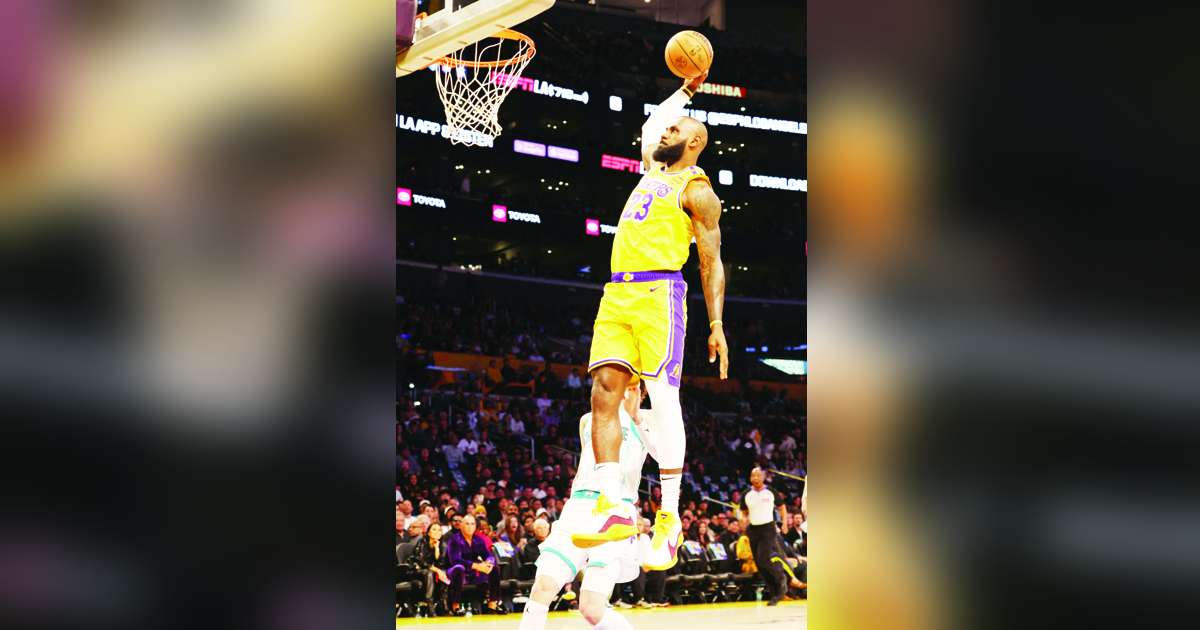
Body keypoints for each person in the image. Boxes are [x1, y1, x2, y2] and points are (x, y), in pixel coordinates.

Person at [577, 69, 729, 575]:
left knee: (663, 401)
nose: (663, 133)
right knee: (604, 391)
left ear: (695, 143)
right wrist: (686, 88)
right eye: (664, 131)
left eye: (674, 131)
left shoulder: (697, 189)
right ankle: (615, 507)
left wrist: (717, 324)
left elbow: (711, 260)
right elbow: (654, 120)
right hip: (616, 291)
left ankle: (668, 516)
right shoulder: (649, 170)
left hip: (661, 292)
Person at [519, 381, 660, 630]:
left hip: (616, 509)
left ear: (641, 390)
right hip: (579, 506)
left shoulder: (648, 419)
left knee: (591, 608)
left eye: (631, 385)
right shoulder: (587, 419)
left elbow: (663, 455)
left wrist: (636, 417)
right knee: (542, 587)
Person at [740, 467, 791, 605]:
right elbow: (743, 512)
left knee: (763, 558)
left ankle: (781, 580)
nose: (755, 478)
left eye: (758, 475)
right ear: (750, 478)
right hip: (753, 530)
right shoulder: (746, 494)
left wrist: (785, 523)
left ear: (763, 477)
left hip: (768, 528)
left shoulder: (771, 492)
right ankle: (775, 593)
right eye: (753, 475)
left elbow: (782, 508)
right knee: (759, 563)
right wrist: (743, 519)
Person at [445, 514, 505, 615]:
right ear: (461, 526)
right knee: (459, 568)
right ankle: (455, 606)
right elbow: (455, 560)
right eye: (467, 524)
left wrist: (488, 563)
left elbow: (489, 555)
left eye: (472, 524)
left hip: (473, 572)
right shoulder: (454, 540)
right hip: (454, 571)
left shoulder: (478, 540)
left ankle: (493, 604)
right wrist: (476, 566)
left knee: (494, 568)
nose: (470, 526)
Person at [412, 522, 452, 617]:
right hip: (416, 569)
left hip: (432, 570)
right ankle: (430, 604)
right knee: (430, 573)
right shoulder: (422, 542)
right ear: (429, 532)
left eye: (439, 530)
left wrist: (437, 549)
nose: (437, 532)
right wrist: (437, 570)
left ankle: (444, 605)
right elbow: (421, 562)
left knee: (444, 573)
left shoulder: (443, 544)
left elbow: (441, 563)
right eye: (434, 529)